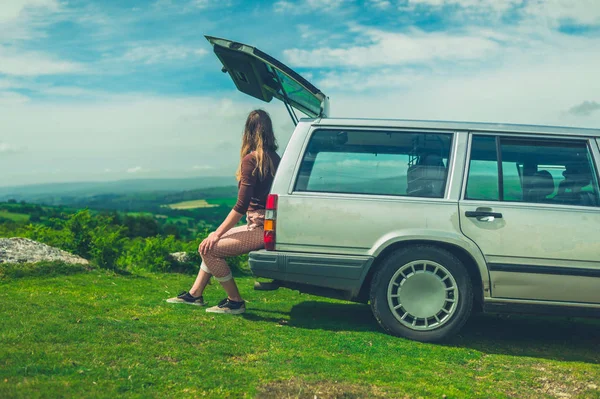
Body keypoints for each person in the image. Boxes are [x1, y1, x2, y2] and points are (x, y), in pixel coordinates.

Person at [167, 109, 280, 314]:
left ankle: (235, 301)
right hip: (265, 224)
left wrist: (217, 233)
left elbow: (241, 206)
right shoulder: (276, 158)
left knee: (210, 248)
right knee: (208, 245)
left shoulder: (251, 160)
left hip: (260, 228)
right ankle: (195, 294)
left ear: (248, 132)